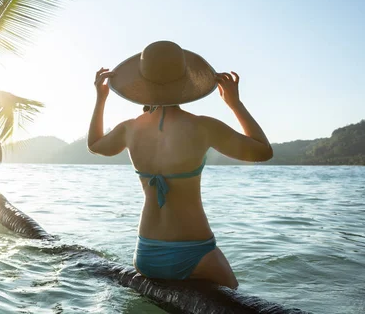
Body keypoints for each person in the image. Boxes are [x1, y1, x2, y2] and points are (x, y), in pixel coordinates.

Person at [87, 41, 273, 289]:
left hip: (146, 254)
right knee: (237, 296)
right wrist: (234, 103)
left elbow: (95, 145)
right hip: (197, 254)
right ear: (185, 81)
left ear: (143, 83)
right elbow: (263, 151)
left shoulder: (129, 129)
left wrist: (100, 99)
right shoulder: (203, 126)